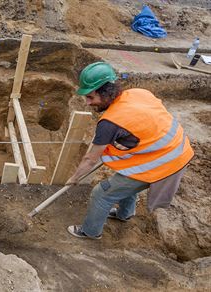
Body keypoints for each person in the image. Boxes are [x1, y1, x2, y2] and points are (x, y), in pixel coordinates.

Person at [65, 62, 194, 239]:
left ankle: (90, 232)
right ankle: (124, 214)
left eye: (90, 97)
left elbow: (90, 159)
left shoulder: (110, 123)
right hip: (176, 149)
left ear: (106, 93)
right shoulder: (138, 93)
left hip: (165, 163)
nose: (87, 103)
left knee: (101, 193)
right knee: (126, 175)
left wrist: (74, 178)